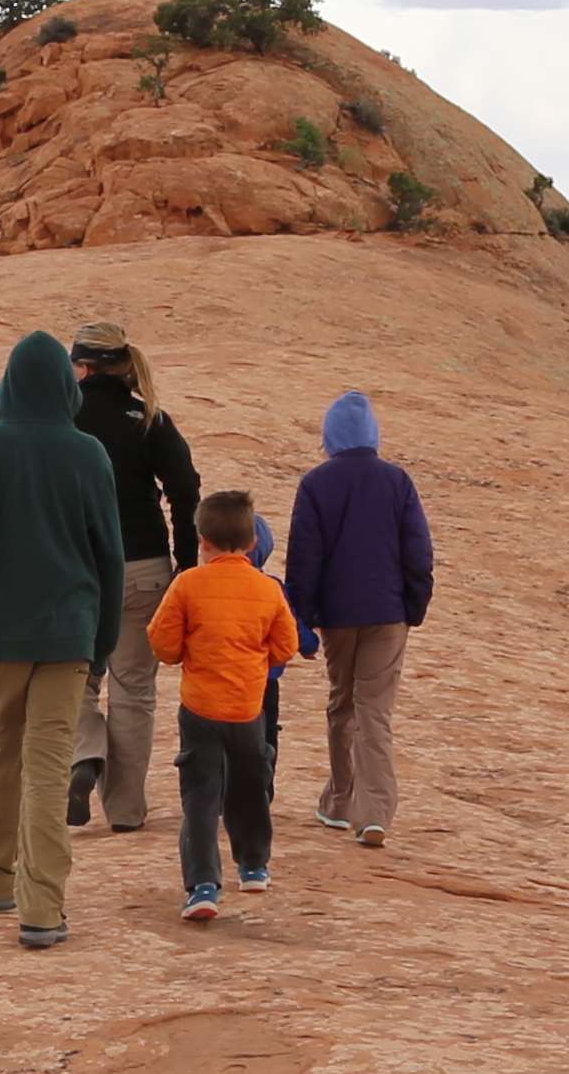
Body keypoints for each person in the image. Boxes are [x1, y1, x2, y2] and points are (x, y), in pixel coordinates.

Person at [0, 327, 125, 949]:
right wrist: (105, 640)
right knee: (47, 768)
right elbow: (109, 558)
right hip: (69, 634)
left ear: (9, 386)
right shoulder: (89, 453)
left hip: (0, 634)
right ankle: (43, 911)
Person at [64, 324, 203, 837]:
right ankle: (126, 812)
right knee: (134, 689)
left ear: (79, 367)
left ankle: (85, 754)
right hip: (144, 566)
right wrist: (185, 566)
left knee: (72, 678)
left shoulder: (62, 418)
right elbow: (187, 489)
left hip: (76, 567)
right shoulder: (148, 417)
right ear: (123, 366)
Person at [281, 389, 434, 847]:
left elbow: (304, 559)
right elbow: (418, 551)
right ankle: (375, 814)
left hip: (339, 616)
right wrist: (414, 607)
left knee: (342, 703)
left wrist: (302, 622)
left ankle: (341, 800)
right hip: (388, 614)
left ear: (330, 437)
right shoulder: (397, 480)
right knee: (376, 713)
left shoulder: (316, 483)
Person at [147, 489, 298, 921]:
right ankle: (253, 865)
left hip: (199, 708)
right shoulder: (267, 589)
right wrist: (255, 660)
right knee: (250, 783)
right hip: (248, 706)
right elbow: (284, 645)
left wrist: (184, 654)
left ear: (202, 540)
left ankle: (203, 887)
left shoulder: (188, 584)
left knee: (200, 794)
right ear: (252, 543)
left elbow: (162, 641)